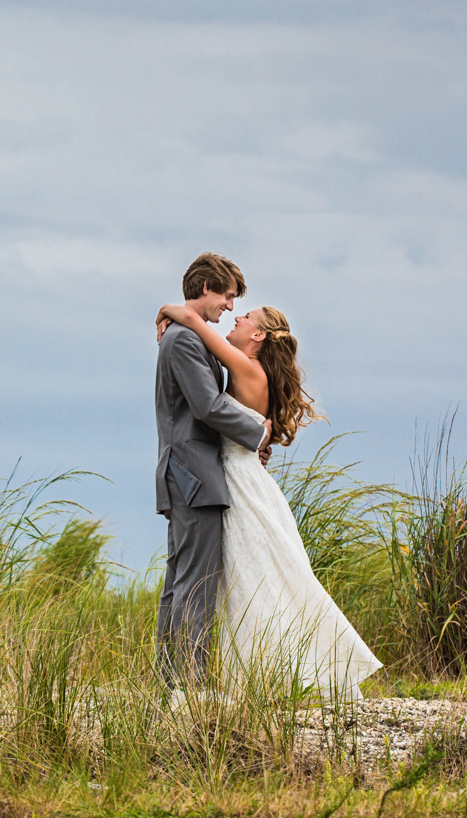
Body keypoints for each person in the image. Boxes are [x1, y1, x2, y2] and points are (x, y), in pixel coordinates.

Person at [156, 298, 382, 698]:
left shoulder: (244, 365)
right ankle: (231, 671)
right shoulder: (247, 368)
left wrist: (166, 309)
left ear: (258, 335)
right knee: (253, 571)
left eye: (245, 317)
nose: (236, 315)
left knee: (251, 572)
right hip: (236, 473)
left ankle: (256, 670)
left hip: (237, 478)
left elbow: (194, 321)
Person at [152, 252, 272, 688]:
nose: (229, 307)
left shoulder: (185, 335)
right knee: (197, 582)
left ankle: (172, 683)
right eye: (226, 296)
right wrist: (257, 433)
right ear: (206, 288)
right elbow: (207, 405)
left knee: (181, 580)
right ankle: (191, 684)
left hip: (187, 474)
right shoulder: (184, 340)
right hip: (193, 474)